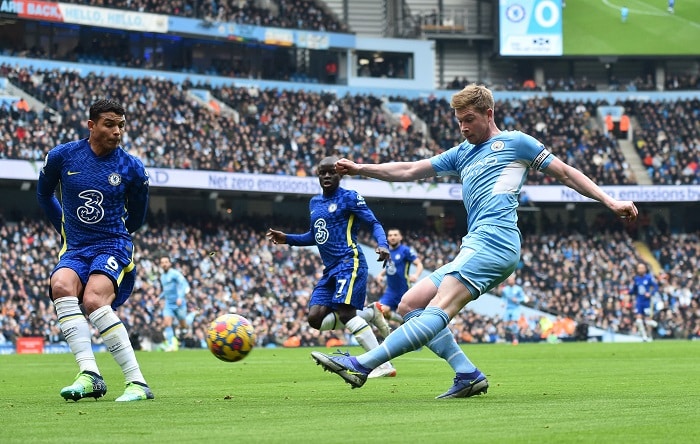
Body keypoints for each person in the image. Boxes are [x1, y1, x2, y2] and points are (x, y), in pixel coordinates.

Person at [311, 84, 638, 398]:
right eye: (459, 121)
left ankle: (362, 365)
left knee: (440, 306)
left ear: (489, 113)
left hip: (496, 241)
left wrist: (610, 201)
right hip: (475, 243)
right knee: (411, 303)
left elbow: (567, 173)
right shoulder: (461, 153)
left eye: (470, 120)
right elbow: (410, 169)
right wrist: (361, 168)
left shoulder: (516, 143)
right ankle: (467, 374)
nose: (464, 128)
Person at [37, 99, 154, 402]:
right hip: (76, 247)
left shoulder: (131, 168)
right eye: (110, 124)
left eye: (121, 125)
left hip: (112, 244)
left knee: (92, 299)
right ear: (92, 125)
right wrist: (61, 226)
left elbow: (138, 217)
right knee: (60, 285)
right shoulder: (62, 157)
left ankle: (137, 382)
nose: (117, 131)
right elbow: (44, 193)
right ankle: (90, 374)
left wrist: (121, 234)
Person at [267, 156, 397, 378]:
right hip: (330, 270)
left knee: (346, 314)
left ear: (341, 175)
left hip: (349, 261)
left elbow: (373, 222)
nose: (327, 176)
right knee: (315, 319)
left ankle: (382, 364)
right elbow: (317, 236)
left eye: (332, 172)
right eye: (322, 172)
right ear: (318, 175)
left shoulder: (350, 197)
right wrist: (286, 238)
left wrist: (383, 244)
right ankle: (369, 313)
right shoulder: (314, 203)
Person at [373, 228, 424, 325]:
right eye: (390, 235)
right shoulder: (387, 252)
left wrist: (416, 275)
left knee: (411, 317)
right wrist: (380, 275)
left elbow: (419, 264)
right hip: (391, 291)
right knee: (381, 310)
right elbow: (389, 266)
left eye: (395, 235)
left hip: (404, 290)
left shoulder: (406, 250)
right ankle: (401, 321)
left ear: (400, 237)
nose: (392, 237)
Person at [158, 255, 191, 351]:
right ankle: (171, 345)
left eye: (166, 262)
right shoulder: (162, 277)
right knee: (167, 323)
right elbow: (166, 290)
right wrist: (159, 297)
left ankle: (192, 316)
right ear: (160, 264)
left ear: (170, 263)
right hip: (168, 304)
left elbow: (184, 284)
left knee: (183, 325)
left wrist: (180, 297)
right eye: (162, 262)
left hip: (179, 303)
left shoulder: (175, 274)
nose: (164, 264)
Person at [630, 262, 659, 342]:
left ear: (645, 269)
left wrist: (650, 293)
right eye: (639, 268)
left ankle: (650, 336)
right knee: (638, 320)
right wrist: (628, 292)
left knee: (647, 321)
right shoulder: (636, 279)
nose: (641, 269)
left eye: (642, 268)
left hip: (647, 302)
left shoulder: (649, 278)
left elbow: (656, 286)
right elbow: (634, 290)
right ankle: (644, 336)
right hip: (639, 301)